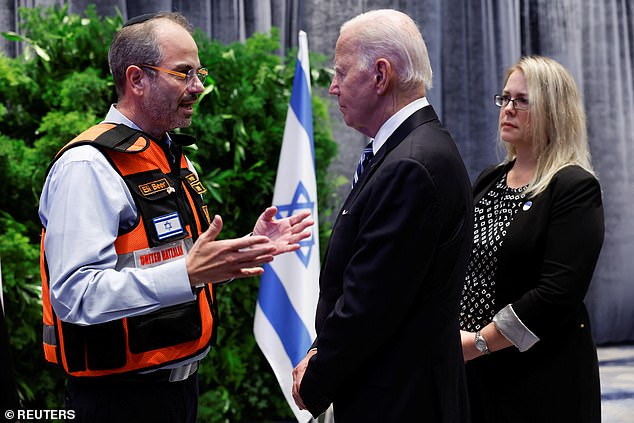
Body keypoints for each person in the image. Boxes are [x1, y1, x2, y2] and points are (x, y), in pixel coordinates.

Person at [38, 12, 312, 423]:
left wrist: (239, 252)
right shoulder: (88, 166)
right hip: (117, 402)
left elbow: (175, 262)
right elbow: (74, 295)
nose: (199, 87)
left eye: (199, 73)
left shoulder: (171, 156)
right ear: (136, 79)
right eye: (184, 73)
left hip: (179, 393)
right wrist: (187, 273)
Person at [291, 9, 473, 422]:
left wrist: (316, 376)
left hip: (401, 402)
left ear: (380, 74)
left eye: (340, 73)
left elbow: (370, 304)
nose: (333, 88)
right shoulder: (409, 150)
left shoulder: (412, 164)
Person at [459, 55, 604, 423]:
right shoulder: (490, 179)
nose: (508, 109)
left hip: (538, 378)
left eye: (522, 101)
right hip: (473, 370)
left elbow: (557, 294)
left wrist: (479, 343)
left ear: (554, 110)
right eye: (505, 98)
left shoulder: (573, 186)